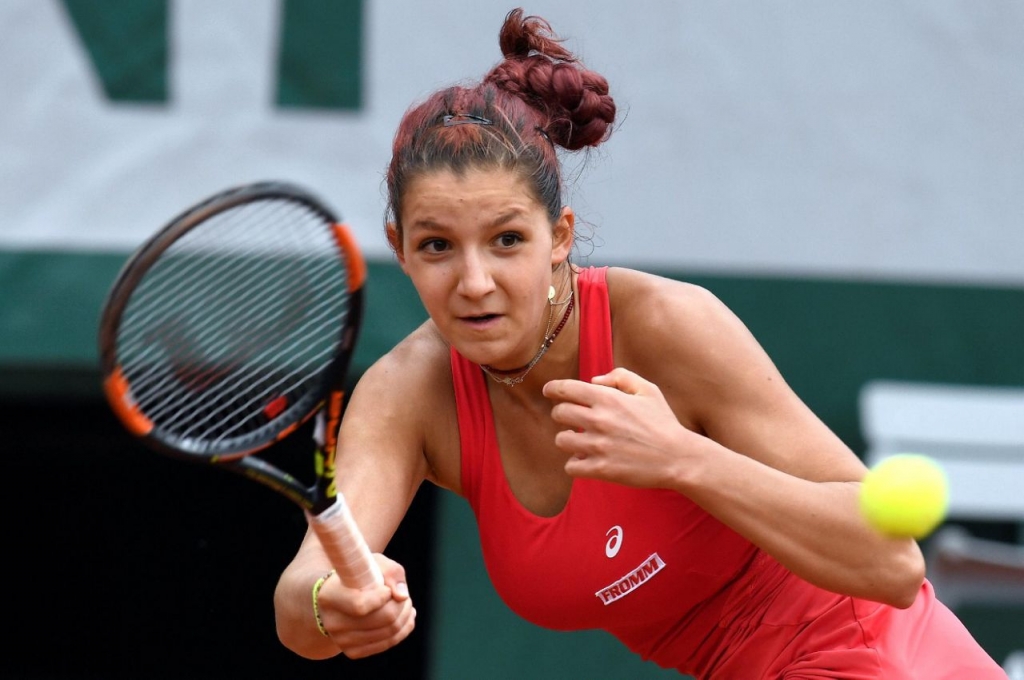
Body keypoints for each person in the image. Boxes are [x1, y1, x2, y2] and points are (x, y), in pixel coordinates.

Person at [273, 8, 1006, 678]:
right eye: (438, 246)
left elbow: (891, 564)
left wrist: (683, 459)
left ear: (558, 238)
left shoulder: (666, 325)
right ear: (400, 250)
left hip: (872, 652)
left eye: (506, 240)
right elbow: (301, 600)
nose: (474, 282)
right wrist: (331, 604)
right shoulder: (410, 394)